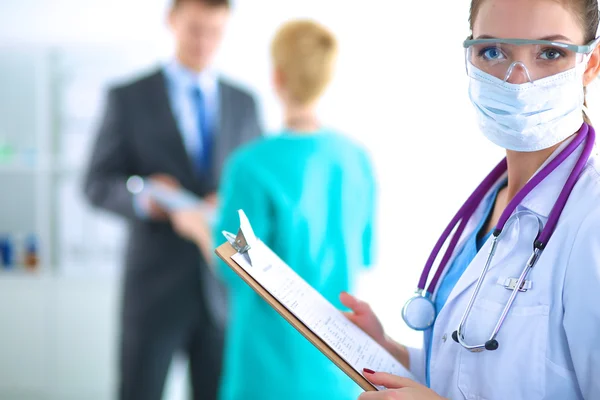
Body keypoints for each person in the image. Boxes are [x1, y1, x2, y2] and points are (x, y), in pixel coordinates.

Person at [337, 0, 600, 399]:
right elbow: (475, 369)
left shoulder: (591, 220)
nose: (516, 80)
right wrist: (390, 353)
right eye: (493, 52)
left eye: (550, 53)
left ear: (591, 63)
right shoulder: (493, 201)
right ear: (469, 57)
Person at [170, 20, 376, 400]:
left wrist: (196, 225)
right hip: (337, 373)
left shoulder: (250, 165)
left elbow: (230, 265)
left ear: (277, 76)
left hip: (267, 372)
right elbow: (362, 253)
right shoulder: (356, 159)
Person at [83, 0, 262, 398]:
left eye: (215, 32)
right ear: (172, 21)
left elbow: (257, 194)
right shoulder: (128, 97)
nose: (204, 42)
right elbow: (95, 184)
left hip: (221, 292)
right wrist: (145, 197)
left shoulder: (244, 103)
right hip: (153, 294)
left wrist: (232, 202)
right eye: (195, 28)